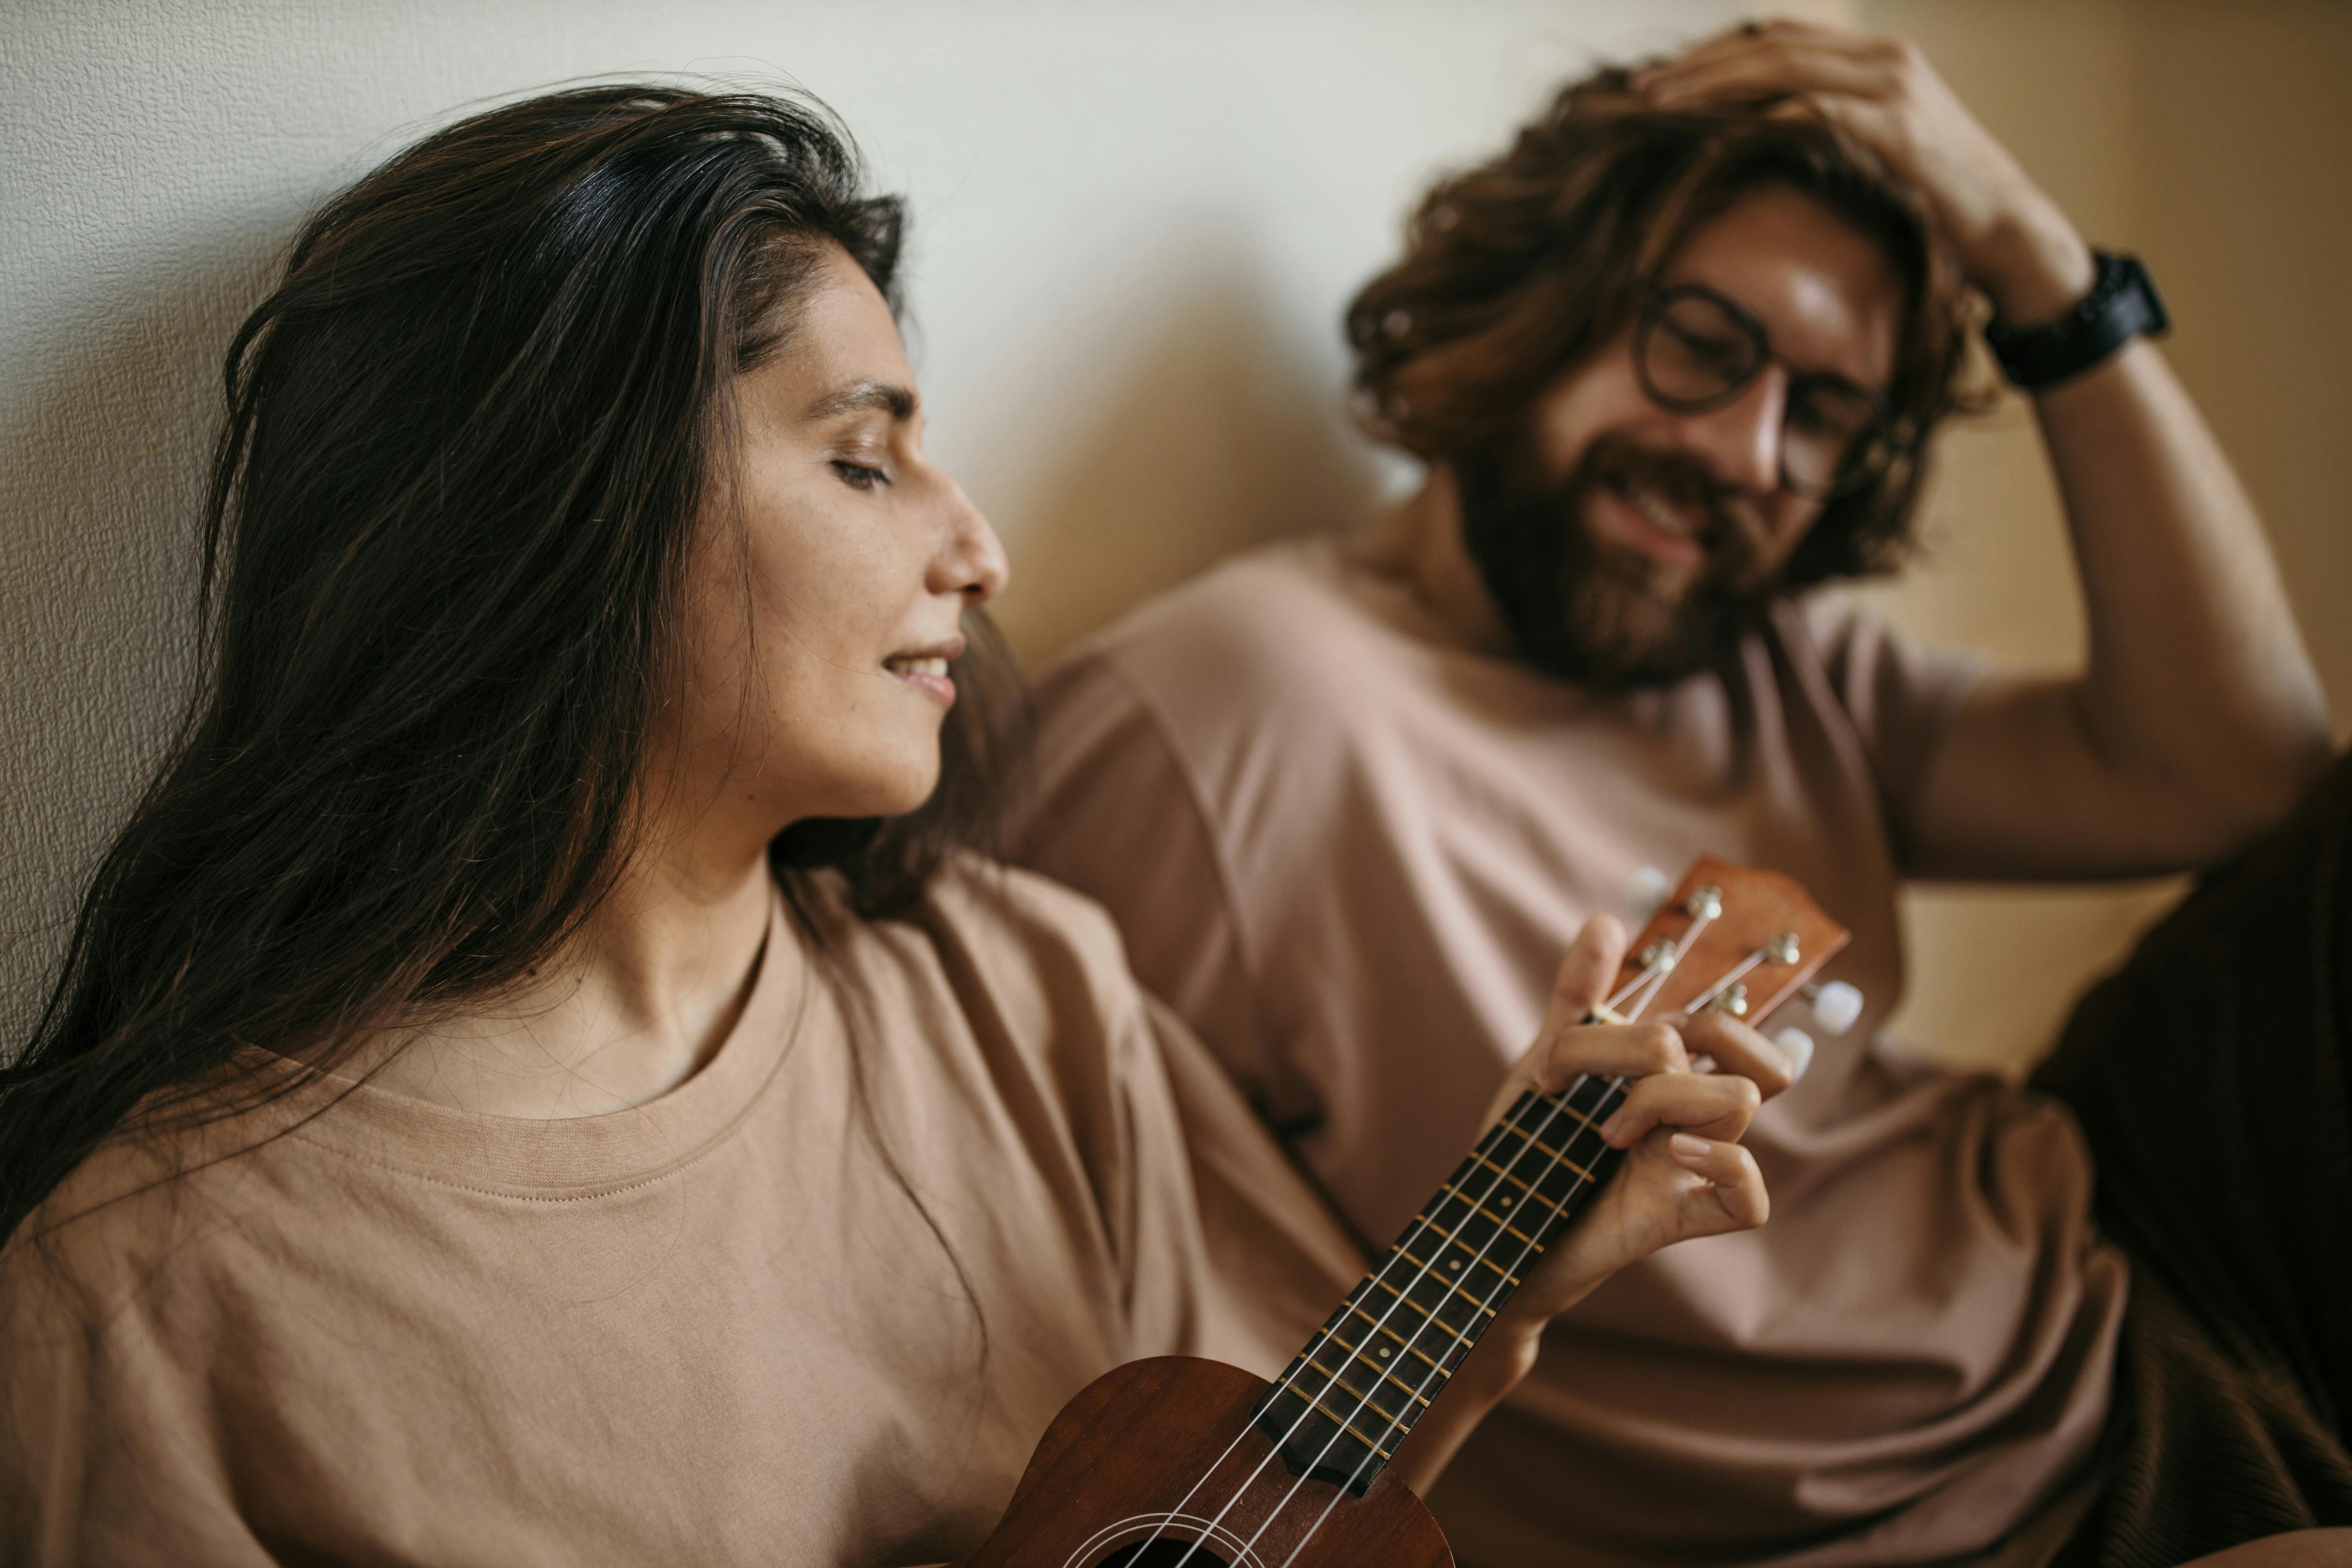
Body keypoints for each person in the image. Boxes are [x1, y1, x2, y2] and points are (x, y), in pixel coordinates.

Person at [0, 84, 1788, 1566]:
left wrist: (1503, 1282)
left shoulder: (1022, 989)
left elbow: (1263, 1497)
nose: (983, 553)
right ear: (558, 506)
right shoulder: (150, 1288)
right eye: (866, 457)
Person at [1013, 21, 2350, 1568]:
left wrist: (2043, 269)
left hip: (2128, 1249)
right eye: (1702, 344)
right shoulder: (1232, 707)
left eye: (1823, 415)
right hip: (1942, 1523)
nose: (1746, 450)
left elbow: (2242, 772)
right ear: (1539, 304)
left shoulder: (1764, 647)